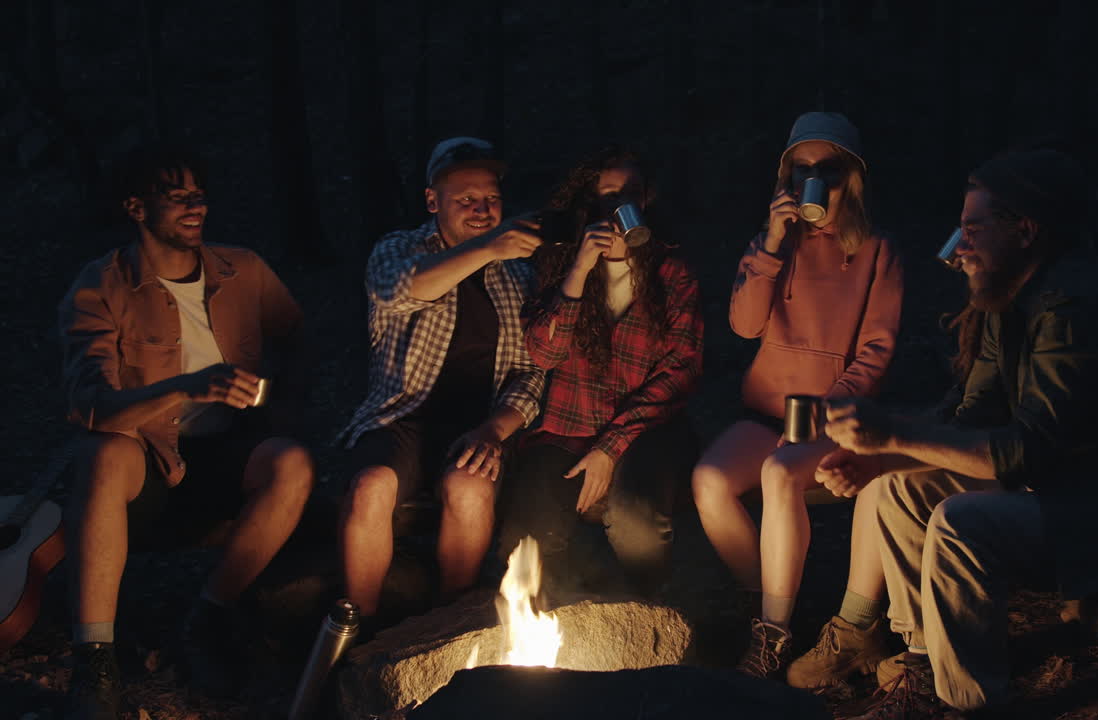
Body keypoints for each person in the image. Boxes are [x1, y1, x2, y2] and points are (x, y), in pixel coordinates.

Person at [821, 148, 1098, 718]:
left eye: (972, 229)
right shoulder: (1009, 302)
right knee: (898, 490)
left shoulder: (1076, 306)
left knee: (963, 522)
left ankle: (970, 703)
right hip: (1073, 489)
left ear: (1026, 230)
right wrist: (881, 461)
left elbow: (1026, 452)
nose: (958, 247)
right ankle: (921, 659)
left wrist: (891, 434)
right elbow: (974, 423)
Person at [59, 145, 315, 718]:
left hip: (229, 450)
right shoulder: (102, 286)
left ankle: (208, 617)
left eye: (198, 194)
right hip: (149, 456)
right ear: (136, 207)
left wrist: (283, 406)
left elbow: (295, 336)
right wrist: (186, 388)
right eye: (176, 196)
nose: (194, 205)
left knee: (291, 461)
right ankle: (93, 659)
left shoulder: (243, 271)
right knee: (101, 453)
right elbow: (90, 404)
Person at [690, 112, 904, 682]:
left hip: (835, 419)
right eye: (802, 169)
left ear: (849, 178)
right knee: (709, 481)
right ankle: (770, 607)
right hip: (766, 412)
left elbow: (875, 353)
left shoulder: (878, 252)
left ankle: (773, 637)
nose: (815, 180)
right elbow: (742, 324)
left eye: (827, 169)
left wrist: (818, 416)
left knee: (782, 471)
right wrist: (771, 243)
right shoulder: (771, 244)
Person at [337, 137, 545, 629]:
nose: (481, 210)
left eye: (490, 199)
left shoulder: (517, 273)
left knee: (470, 487)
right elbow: (400, 291)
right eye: (465, 200)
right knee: (370, 486)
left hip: (477, 424)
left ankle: (449, 622)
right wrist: (486, 247)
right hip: (400, 417)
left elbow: (530, 370)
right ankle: (354, 631)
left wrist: (495, 430)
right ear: (433, 201)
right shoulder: (399, 249)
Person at [499, 146, 703, 597]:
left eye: (629, 194)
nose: (617, 207)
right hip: (567, 426)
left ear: (646, 199)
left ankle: (646, 614)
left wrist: (611, 448)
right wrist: (578, 270)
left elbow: (680, 371)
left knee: (636, 521)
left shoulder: (672, 270)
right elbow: (545, 355)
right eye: (607, 196)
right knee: (527, 540)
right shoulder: (561, 263)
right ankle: (550, 628)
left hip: (645, 430)